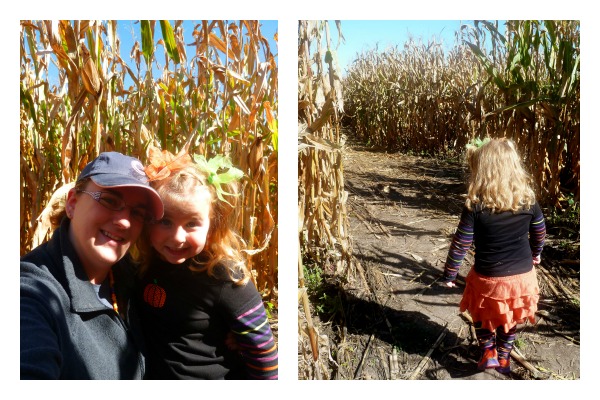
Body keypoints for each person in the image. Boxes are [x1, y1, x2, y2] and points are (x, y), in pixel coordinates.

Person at [134, 147, 278, 380]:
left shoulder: (224, 277)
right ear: (148, 222)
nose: (177, 237)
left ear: (212, 227)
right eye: (165, 222)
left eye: (191, 224)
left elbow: (263, 353)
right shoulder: (141, 264)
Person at [20, 152, 164, 379]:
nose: (125, 221)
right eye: (109, 200)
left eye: (137, 212)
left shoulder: (134, 277)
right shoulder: (33, 292)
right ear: (73, 203)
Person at [441, 138, 546, 375]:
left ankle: (488, 353)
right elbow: (539, 230)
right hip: (522, 278)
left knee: (481, 315)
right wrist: (537, 253)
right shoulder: (527, 200)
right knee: (508, 320)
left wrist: (450, 273)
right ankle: (505, 358)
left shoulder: (475, 204)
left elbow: (462, 242)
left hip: (488, 278)